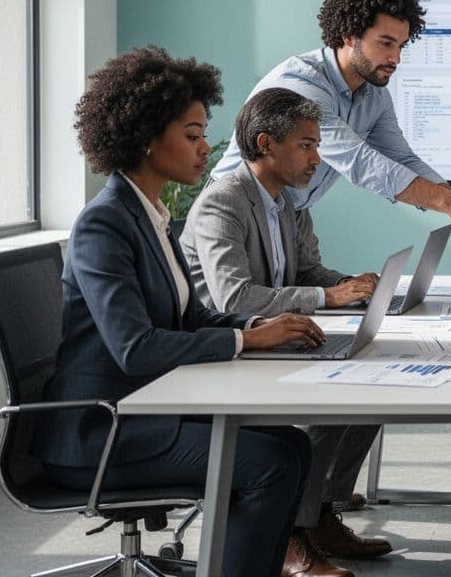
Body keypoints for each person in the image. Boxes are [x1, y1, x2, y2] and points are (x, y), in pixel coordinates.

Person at [35, 46, 330, 577]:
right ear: (146, 137)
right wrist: (246, 342)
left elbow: (189, 318)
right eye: (191, 136)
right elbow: (135, 347)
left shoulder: (152, 216)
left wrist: (255, 326)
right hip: (102, 428)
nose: (205, 149)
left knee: (291, 445)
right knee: (272, 464)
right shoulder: (103, 224)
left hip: (144, 408)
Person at [181, 87, 392, 577]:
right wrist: (326, 298)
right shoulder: (223, 203)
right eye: (306, 146)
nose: (317, 158)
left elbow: (307, 272)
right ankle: (290, 536)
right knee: (330, 404)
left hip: (278, 341)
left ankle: (319, 514)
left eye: (317, 145)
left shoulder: (290, 203)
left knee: (373, 388)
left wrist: (347, 285)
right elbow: (234, 299)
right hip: (232, 350)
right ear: (266, 144)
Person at [211, 0, 451, 237]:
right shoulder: (302, 88)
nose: (396, 59)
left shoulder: (374, 92)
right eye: (385, 43)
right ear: (349, 36)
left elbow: (402, 159)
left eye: (400, 45)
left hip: (292, 213)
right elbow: (360, 162)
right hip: (238, 212)